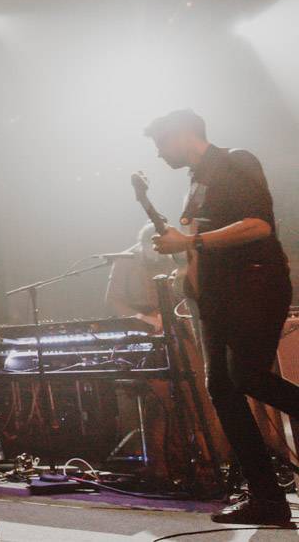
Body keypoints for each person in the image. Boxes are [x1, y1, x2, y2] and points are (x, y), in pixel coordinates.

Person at [145, 109, 298, 526]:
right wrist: (188, 278)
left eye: (162, 144)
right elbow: (199, 246)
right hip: (214, 297)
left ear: (184, 134)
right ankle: (267, 498)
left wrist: (190, 239)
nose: (158, 154)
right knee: (222, 388)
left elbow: (259, 226)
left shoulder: (236, 161)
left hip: (255, 283)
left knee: (246, 377)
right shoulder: (193, 182)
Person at [104, 222, 177, 332]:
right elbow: (112, 302)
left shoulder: (171, 260)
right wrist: (142, 318)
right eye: (150, 252)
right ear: (142, 245)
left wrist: (162, 314)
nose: (155, 256)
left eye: (159, 251)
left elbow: (178, 294)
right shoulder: (125, 261)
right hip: (134, 325)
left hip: (167, 322)